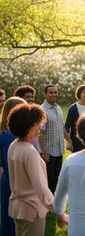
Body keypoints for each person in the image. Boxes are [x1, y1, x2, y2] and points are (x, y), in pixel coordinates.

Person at [7, 103, 55, 235]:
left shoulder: (13, 145)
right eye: (38, 123)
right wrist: (57, 208)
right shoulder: (29, 151)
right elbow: (40, 186)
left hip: (18, 208)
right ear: (28, 126)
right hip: (32, 209)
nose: (40, 126)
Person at [39, 84, 72, 193]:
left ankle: (54, 201)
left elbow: (61, 127)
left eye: (55, 92)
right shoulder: (42, 110)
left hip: (59, 150)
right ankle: (47, 203)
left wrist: (69, 141)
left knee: (56, 178)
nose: (54, 94)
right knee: (48, 178)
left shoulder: (58, 108)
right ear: (45, 94)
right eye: (51, 92)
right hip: (48, 151)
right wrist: (44, 152)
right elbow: (40, 133)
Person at [0, 97, 26, 236]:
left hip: (15, 179)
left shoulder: (16, 132)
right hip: (11, 179)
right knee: (9, 217)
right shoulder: (7, 134)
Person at [65, 84, 85, 152]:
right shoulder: (73, 108)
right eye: (84, 92)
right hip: (77, 142)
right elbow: (66, 127)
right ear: (79, 94)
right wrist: (69, 142)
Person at [14, 85, 40, 151]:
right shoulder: (17, 117)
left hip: (35, 149)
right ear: (20, 99)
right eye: (27, 97)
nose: (31, 99)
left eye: (32, 97)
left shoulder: (34, 114)